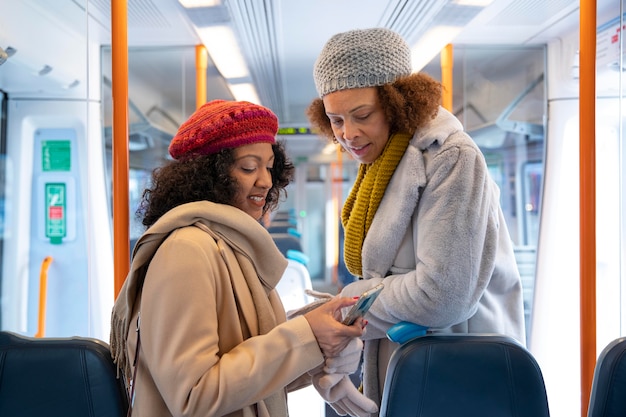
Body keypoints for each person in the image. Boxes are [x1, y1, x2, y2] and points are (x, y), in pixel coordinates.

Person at [305, 27, 526, 412]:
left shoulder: (451, 157)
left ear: (398, 101)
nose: (348, 135)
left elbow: (441, 295)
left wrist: (347, 305)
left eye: (362, 115)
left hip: (462, 372)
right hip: (416, 366)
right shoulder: (382, 160)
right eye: (335, 120)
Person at [110, 99, 377, 417]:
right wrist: (304, 335)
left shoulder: (232, 247)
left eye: (268, 167)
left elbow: (248, 384)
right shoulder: (186, 251)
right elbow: (194, 396)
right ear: (210, 175)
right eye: (249, 167)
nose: (264, 181)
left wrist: (317, 347)